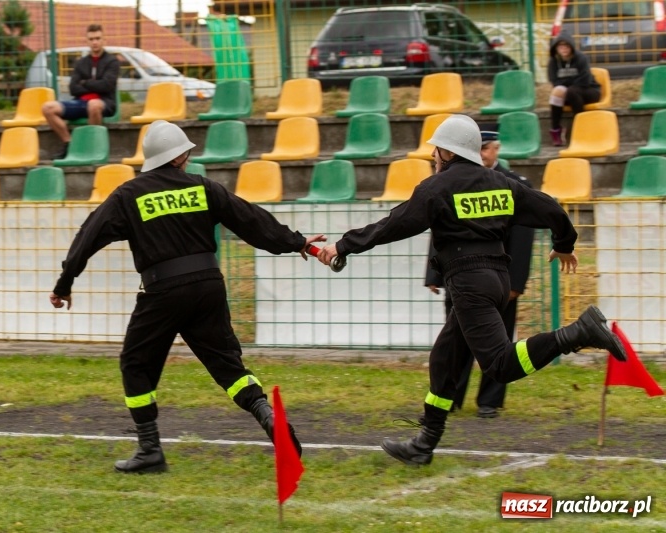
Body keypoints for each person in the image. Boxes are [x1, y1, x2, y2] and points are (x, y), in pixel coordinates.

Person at [315, 114, 627, 466]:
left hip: (468, 283)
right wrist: (565, 243)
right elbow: (550, 207)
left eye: (436, 150)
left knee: (501, 365)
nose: (433, 156)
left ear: (448, 153)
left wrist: (343, 246)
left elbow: (393, 224)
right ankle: (424, 444)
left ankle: (577, 333)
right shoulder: (502, 182)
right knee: (445, 359)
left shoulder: (437, 188)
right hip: (497, 278)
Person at [49, 120, 321, 474]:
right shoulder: (203, 188)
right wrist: (297, 242)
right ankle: (265, 414)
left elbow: (89, 236)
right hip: (208, 285)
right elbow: (252, 220)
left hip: (162, 290)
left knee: (136, 364)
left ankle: (149, 449)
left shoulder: (128, 195)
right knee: (228, 366)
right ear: (180, 157)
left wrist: (65, 282)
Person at [424, 130, 535, 419]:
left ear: (497, 150)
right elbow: (441, 226)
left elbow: (522, 240)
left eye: (488, 148)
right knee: (455, 341)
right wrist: (434, 272)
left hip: (499, 280)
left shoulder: (514, 184)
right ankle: (451, 398)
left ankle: (490, 401)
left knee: (497, 344)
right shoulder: (454, 183)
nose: (483, 154)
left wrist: (516, 282)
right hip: (459, 277)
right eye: (479, 148)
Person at [42, 24, 119, 160]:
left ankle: (92, 146)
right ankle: (69, 144)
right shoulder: (81, 63)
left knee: (94, 105)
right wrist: (94, 84)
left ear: (104, 40)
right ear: (87, 41)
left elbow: (107, 86)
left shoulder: (112, 62)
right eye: (91, 39)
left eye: (97, 38)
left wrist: (85, 82)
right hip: (80, 103)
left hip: (104, 103)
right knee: (48, 108)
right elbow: (73, 88)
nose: (94, 42)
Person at [547, 32, 600, 147]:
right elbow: (554, 81)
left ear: (571, 47)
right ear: (556, 48)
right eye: (560, 46)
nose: (564, 49)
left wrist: (566, 84)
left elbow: (585, 80)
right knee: (557, 92)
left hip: (589, 91)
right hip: (570, 93)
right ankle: (556, 129)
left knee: (571, 91)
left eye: (566, 46)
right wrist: (568, 83)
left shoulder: (581, 58)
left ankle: (581, 127)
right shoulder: (553, 62)